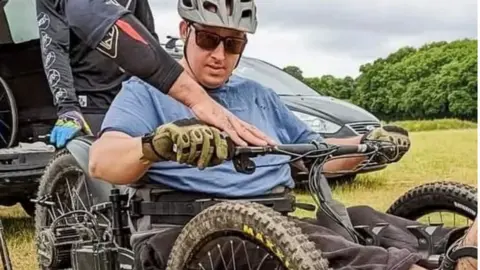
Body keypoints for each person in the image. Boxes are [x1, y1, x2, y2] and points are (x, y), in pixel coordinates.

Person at [88, 0, 478, 269]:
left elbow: (316, 153)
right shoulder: (147, 90)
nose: (219, 55)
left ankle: (461, 249)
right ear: (184, 31)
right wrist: (157, 145)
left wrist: (370, 144)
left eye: (233, 43)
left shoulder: (258, 95)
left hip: (280, 219)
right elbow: (102, 161)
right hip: (190, 229)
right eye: (208, 39)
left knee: (373, 224)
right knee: (339, 253)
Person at [35, 0, 273, 149]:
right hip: (87, 95)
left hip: (124, 88)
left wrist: (153, 91)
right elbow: (54, 47)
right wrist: (67, 107)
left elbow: (148, 38)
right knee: (100, 169)